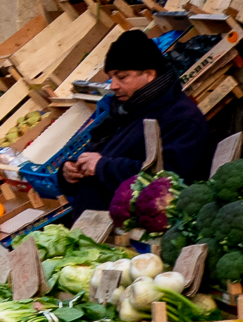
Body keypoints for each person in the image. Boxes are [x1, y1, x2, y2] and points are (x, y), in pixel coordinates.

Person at [58, 29, 213, 219]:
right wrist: (70, 171)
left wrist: (101, 167)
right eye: (111, 77)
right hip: (95, 227)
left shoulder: (181, 118)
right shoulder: (124, 110)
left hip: (130, 236)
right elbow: (97, 156)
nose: (113, 85)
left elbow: (169, 179)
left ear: (149, 74)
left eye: (122, 77)